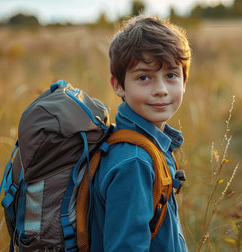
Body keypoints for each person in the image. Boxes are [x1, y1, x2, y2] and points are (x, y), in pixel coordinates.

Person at [88, 15, 191, 251]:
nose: (161, 90)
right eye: (144, 77)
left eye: (171, 75)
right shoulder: (134, 162)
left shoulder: (150, 145)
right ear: (118, 85)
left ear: (185, 80)